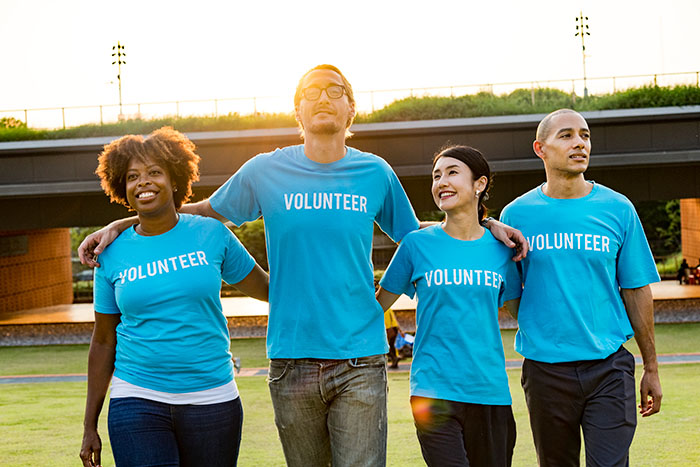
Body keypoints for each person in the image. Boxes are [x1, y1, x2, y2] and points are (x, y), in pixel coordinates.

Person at [79, 65, 528, 467]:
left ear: (351, 110)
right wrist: (122, 222)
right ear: (297, 110)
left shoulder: (375, 172)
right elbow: (198, 211)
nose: (322, 98)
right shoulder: (264, 170)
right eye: (310, 92)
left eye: (335, 91)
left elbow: (427, 238)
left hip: (360, 359)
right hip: (290, 359)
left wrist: (487, 223)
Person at [79, 128, 269, 467]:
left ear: (174, 178)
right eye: (133, 176)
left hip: (212, 398)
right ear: (122, 187)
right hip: (136, 397)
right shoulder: (110, 253)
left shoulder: (212, 234)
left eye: (154, 172)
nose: (144, 182)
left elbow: (270, 290)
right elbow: (104, 340)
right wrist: (89, 424)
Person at [499, 109, 662, 466]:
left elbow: (636, 290)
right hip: (545, 372)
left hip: (609, 368)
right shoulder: (516, 215)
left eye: (585, 135)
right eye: (567, 135)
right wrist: (545, 324)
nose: (579, 143)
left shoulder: (618, 209)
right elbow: (512, 296)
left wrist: (651, 366)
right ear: (540, 148)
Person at [376, 145, 521, 466]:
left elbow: (524, 314)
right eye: (436, 175)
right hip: (433, 392)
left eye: (452, 172)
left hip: (490, 392)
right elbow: (376, 309)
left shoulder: (501, 250)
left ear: (479, 184)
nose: (441, 181)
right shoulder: (415, 245)